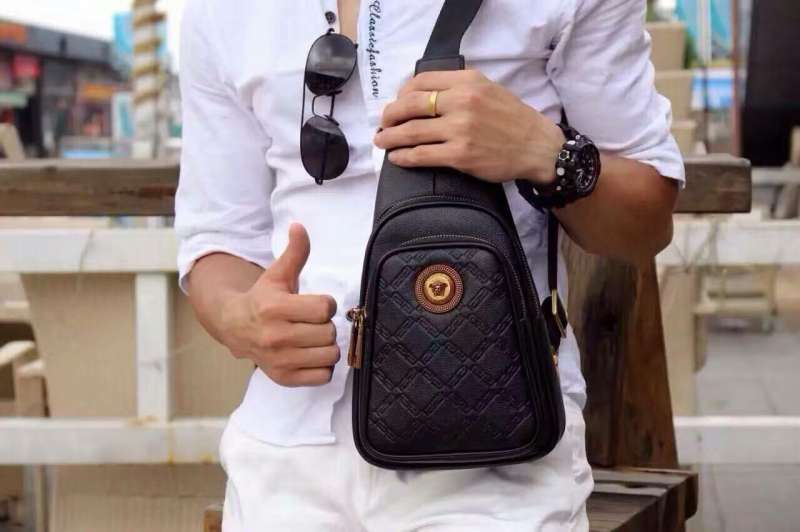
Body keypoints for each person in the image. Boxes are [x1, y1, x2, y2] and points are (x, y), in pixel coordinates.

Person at [176, 0, 683, 530]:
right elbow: (219, 236)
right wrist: (240, 317)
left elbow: (646, 225)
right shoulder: (220, 12)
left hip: (495, 449)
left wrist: (544, 152)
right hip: (284, 444)